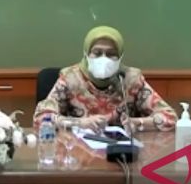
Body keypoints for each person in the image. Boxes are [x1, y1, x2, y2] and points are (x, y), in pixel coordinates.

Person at [34, 26, 176, 132]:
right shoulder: (70, 78)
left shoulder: (130, 79)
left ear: (120, 56)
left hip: (121, 153)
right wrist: (80, 124)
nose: (104, 58)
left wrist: (137, 123)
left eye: (111, 54)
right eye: (97, 53)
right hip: (78, 151)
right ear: (86, 54)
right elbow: (41, 118)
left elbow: (170, 118)